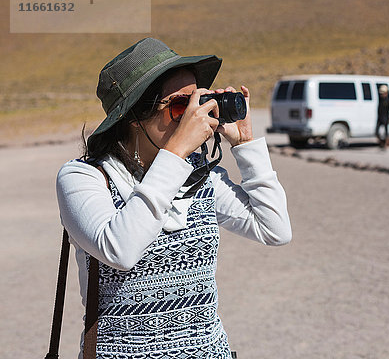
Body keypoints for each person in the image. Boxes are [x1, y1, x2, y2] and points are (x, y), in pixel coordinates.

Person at [56, 38, 292, 359]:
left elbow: (274, 230)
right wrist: (177, 151)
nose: (196, 117)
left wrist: (245, 144)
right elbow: (120, 250)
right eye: (181, 106)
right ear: (133, 117)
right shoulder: (85, 177)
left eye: (200, 101)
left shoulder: (199, 176)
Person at [376, 84, 389, 149]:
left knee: (386, 132)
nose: (382, 94)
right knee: (377, 132)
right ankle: (381, 143)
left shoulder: (388, 100)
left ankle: (386, 144)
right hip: (379, 118)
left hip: (386, 118)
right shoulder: (380, 99)